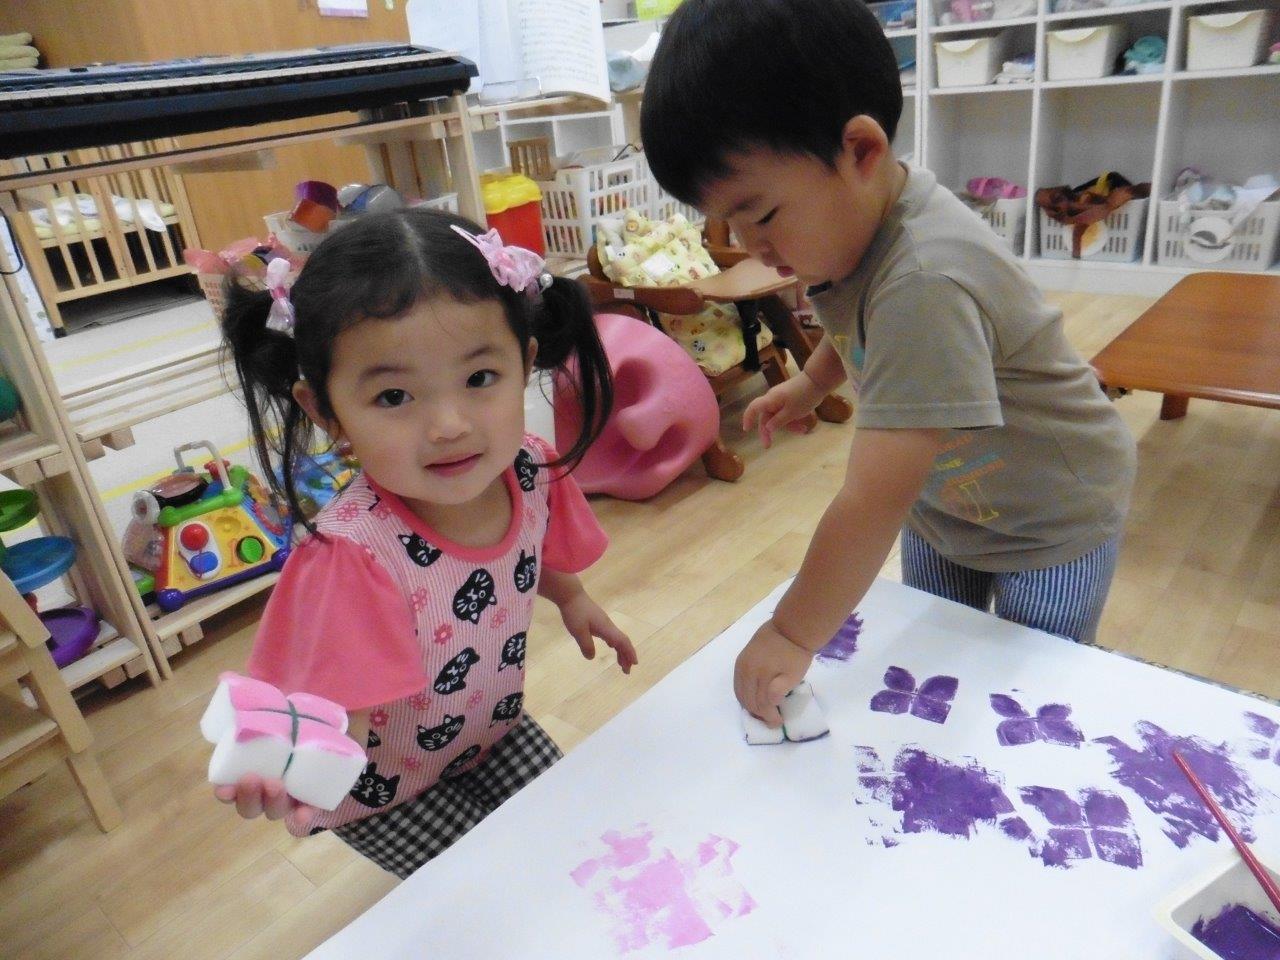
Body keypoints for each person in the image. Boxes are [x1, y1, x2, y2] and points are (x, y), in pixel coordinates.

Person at [641, 0, 1136, 726]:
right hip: (950, 506)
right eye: (732, 226)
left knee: (1025, 690)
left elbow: (871, 498)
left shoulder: (925, 280)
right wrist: (811, 382)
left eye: (762, 215)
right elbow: (859, 330)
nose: (752, 247)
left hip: (1048, 519)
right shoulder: (852, 228)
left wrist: (792, 631)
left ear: (862, 150)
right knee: (936, 656)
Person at [215, 208, 638, 877]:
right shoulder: (353, 556)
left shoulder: (527, 467)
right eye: (392, 397)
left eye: (479, 379)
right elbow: (335, 711)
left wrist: (575, 598)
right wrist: (290, 771)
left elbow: (540, 550)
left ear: (525, 361)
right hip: (386, 794)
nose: (448, 426)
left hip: (489, 733)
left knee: (573, 832)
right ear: (325, 412)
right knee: (490, 884)